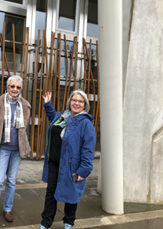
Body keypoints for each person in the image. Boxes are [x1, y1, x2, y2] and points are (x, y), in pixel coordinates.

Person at [39, 90, 96, 229]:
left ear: (85, 105)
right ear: (70, 101)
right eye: (74, 100)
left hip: (72, 166)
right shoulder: (63, 116)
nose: (76, 103)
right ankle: (45, 223)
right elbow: (53, 117)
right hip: (54, 163)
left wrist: (84, 170)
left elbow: (88, 149)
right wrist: (47, 104)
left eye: (80, 101)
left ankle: (69, 222)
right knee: (50, 193)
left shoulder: (86, 123)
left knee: (71, 194)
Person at [0, 75, 31, 226]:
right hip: (3, 148)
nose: (15, 89)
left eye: (18, 87)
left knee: (11, 181)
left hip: (17, 149)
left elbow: (24, 128)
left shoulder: (25, 106)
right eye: (12, 86)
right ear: (7, 87)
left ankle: (7, 209)